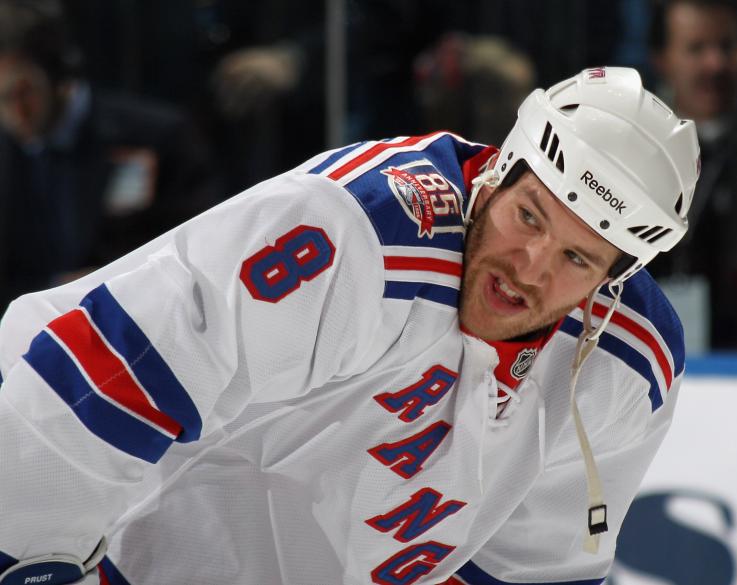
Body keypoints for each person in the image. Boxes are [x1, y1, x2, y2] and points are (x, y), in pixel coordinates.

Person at [0, 66, 699, 585]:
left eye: (577, 257)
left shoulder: (630, 365)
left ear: (613, 279)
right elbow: (117, 364)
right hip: (99, 530)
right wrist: (28, 552)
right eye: (529, 217)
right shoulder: (361, 230)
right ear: (498, 171)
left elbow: (530, 569)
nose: (530, 267)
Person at [0, 0, 220, 312]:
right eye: (0, 100)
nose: (15, 114)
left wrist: (117, 283)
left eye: (25, 92)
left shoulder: (157, 136)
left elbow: (202, 247)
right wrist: (51, 289)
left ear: (59, 75)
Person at [647, 0, 737, 349]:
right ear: (662, 59)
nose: (715, 64)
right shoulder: (636, 149)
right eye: (696, 48)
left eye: (727, 46)